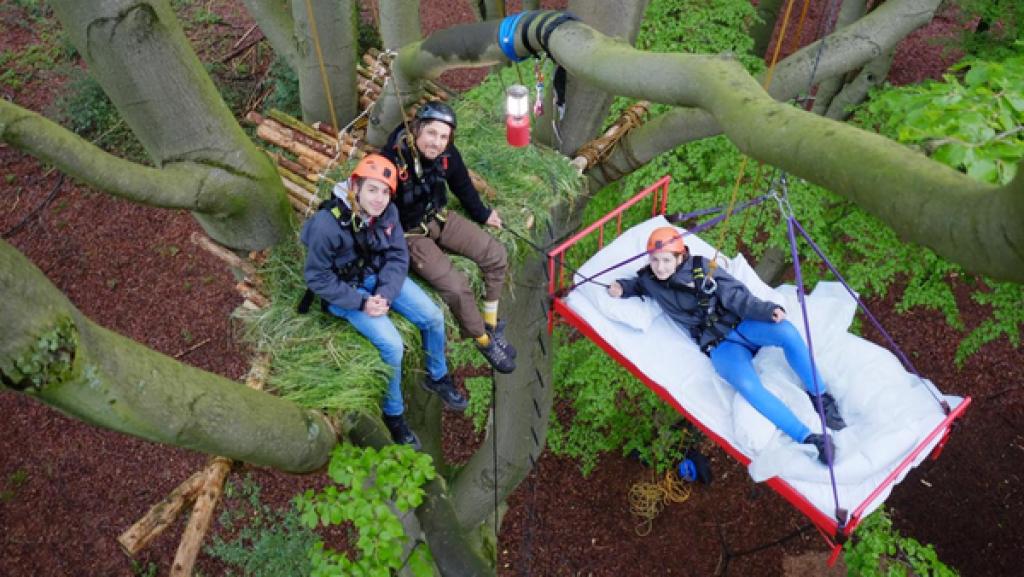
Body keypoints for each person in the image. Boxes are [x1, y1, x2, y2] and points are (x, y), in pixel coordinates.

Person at [607, 227, 847, 465]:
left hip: (741, 324)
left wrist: (766, 311)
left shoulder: (701, 268)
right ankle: (809, 438)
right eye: (655, 260)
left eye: (666, 260)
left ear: (681, 257)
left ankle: (820, 396)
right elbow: (636, 285)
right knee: (746, 384)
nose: (660, 267)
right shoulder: (650, 280)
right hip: (718, 344)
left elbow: (736, 296)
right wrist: (622, 287)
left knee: (787, 332)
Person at [300, 154, 467, 450]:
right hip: (349, 289)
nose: (379, 199)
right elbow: (318, 278)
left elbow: (397, 255)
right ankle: (394, 414)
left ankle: (438, 376)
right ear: (355, 188)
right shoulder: (327, 226)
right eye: (372, 190)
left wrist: (386, 294)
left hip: (380, 279)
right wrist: (361, 303)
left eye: (385, 192)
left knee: (433, 317)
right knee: (392, 346)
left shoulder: (387, 212)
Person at [380, 101, 516, 374]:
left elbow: (461, 183)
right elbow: (379, 211)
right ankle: (483, 340)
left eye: (444, 137)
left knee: (496, 255)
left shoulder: (446, 154)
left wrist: (482, 214)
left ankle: (490, 322)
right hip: (411, 235)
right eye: (432, 133)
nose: (437, 142)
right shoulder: (393, 161)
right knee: (457, 287)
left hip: (439, 217)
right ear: (417, 129)